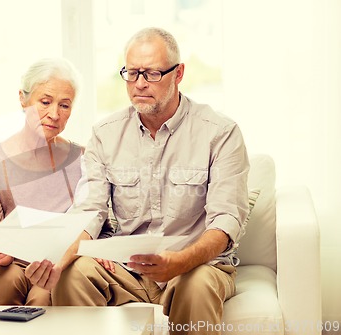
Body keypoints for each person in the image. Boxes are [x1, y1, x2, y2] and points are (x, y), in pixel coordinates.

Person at [25, 27, 250, 334]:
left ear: (178, 73)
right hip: (128, 269)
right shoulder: (106, 133)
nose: (140, 84)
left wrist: (180, 262)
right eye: (132, 74)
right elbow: (89, 211)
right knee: (72, 273)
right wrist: (57, 263)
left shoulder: (220, 132)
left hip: (195, 266)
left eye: (152, 74)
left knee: (196, 285)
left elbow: (226, 221)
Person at [0, 58, 83, 306]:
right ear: (23, 99)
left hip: (58, 265)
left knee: (43, 293)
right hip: (9, 267)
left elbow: (99, 225)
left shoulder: (83, 159)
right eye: (45, 102)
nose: (54, 114)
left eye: (64, 105)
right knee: (6, 280)